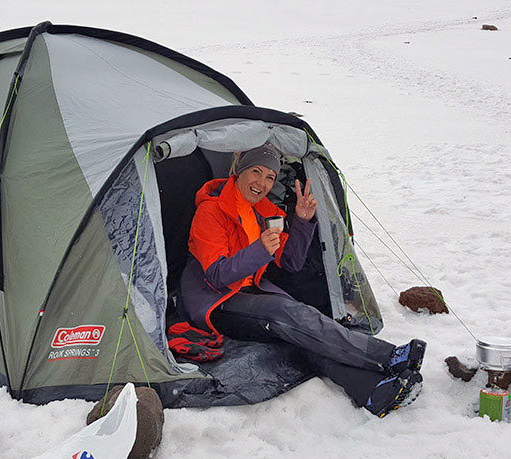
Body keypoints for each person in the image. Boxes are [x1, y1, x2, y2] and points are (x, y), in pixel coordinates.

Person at [179, 144, 426, 417]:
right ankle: (387, 356)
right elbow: (216, 276)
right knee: (288, 313)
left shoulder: (263, 211)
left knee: (300, 334)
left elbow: (291, 262)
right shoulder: (211, 211)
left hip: (250, 291)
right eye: (256, 172)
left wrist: (302, 221)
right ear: (239, 171)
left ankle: (372, 390)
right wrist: (260, 250)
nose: (262, 183)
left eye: (270, 177)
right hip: (215, 302)